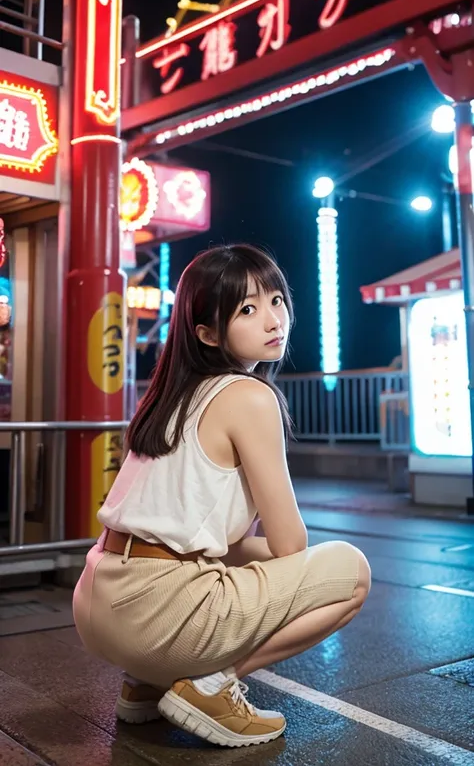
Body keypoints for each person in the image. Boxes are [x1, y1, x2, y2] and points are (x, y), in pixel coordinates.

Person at [73, 243, 371, 749]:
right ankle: (210, 686)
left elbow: (218, 543)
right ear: (208, 333)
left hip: (98, 601)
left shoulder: (170, 398)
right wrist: (281, 566)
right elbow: (289, 544)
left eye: (276, 299)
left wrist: (252, 562)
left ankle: (147, 683)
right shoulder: (249, 396)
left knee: (234, 564)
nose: (274, 319)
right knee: (349, 569)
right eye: (248, 310)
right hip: (156, 612)